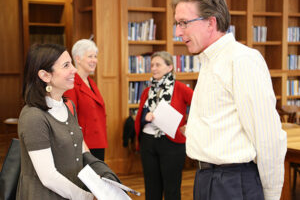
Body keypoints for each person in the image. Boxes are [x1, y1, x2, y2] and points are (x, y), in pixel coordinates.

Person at [172, 0, 287, 200]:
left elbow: (268, 137)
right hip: (207, 177)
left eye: (184, 23)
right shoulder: (209, 62)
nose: (178, 32)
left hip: (232, 182)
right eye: (177, 24)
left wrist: (271, 195)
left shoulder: (242, 60)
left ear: (210, 22)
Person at [17, 43, 119, 200]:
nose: (74, 70)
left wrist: (106, 174)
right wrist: (86, 197)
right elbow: (48, 177)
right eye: (66, 65)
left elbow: (82, 151)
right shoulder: (33, 117)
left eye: (71, 63)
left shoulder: (68, 106)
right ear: (45, 76)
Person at [135, 51, 193, 200]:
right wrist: (145, 117)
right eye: (152, 65)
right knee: (151, 187)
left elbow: (199, 105)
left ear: (169, 67)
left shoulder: (180, 88)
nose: (153, 68)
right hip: (148, 142)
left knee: (171, 188)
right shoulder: (147, 91)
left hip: (172, 143)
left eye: (158, 65)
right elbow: (139, 118)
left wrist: (188, 126)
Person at [64, 39, 107, 161]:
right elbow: (70, 118)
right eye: (90, 56)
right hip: (84, 145)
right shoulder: (71, 84)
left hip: (98, 142)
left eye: (95, 56)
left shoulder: (91, 82)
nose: (94, 60)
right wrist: (83, 145)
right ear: (77, 59)